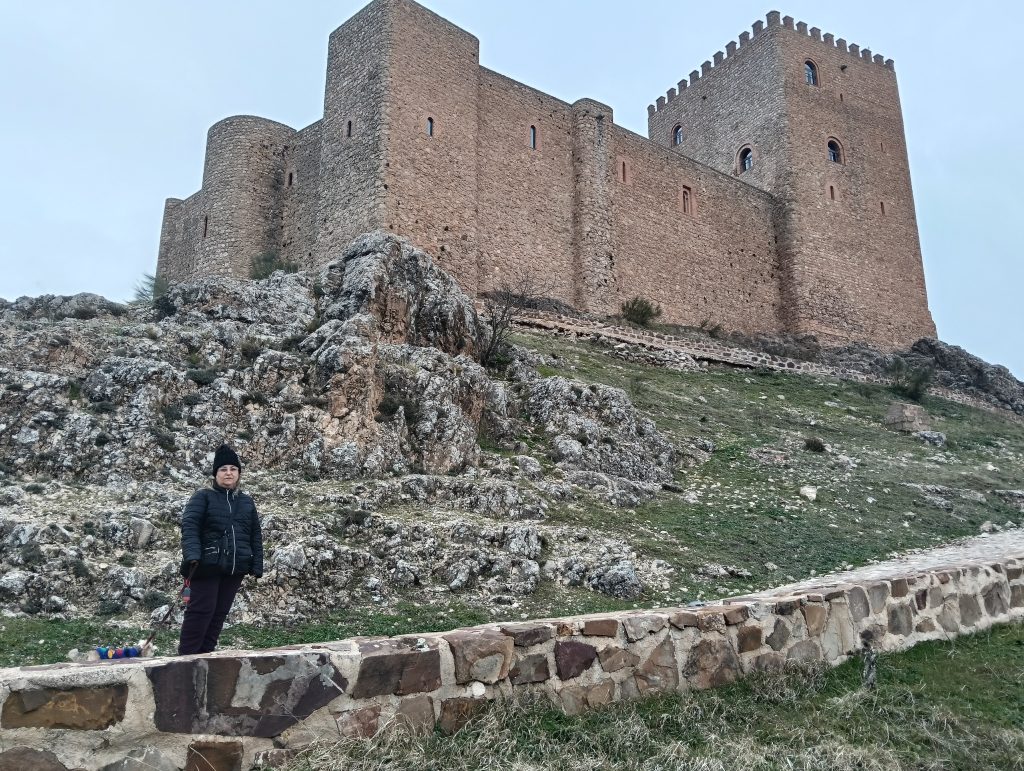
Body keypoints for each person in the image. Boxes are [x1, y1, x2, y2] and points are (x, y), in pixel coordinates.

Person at [178, 444, 263, 655]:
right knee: (200, 612)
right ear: (215, 473)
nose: (228, 473)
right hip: (206, 565)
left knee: (218, 615)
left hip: (235, 568)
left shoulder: (246, 502)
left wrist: (256, 564)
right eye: (223, 469)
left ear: (238, 474)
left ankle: (205, 657)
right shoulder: (202, 497)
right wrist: (193, 556)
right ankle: (186, 660)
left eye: (233, 469)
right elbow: (190, 527)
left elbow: (255, 534)